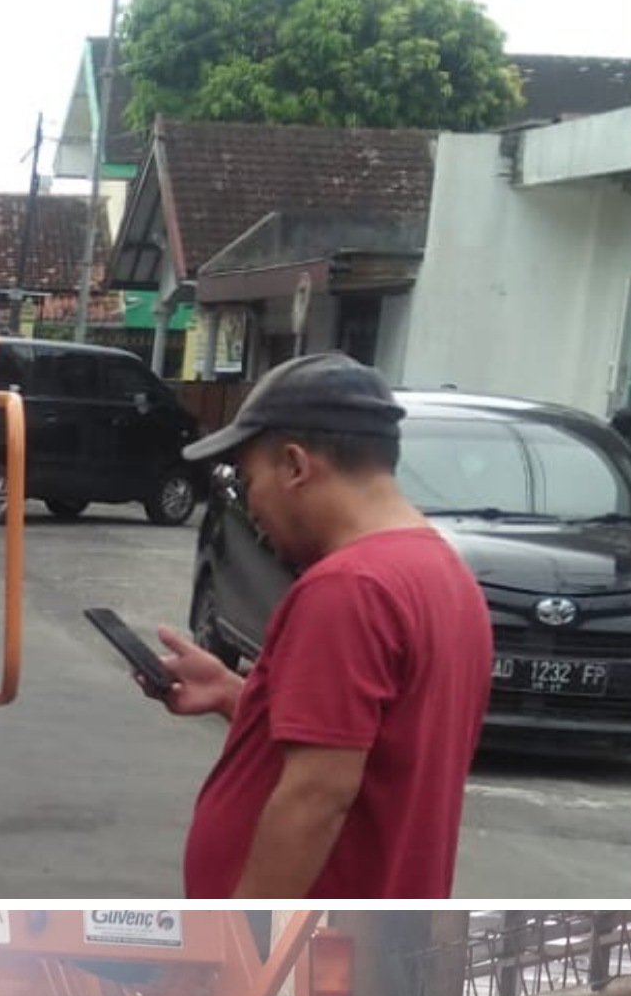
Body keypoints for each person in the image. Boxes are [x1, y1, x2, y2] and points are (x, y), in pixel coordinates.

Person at [145, 353, 492, 898]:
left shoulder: (349, 588)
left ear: (295, 466)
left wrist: (240, 943)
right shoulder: (444, 576)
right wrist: (237, 696)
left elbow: (317, 794)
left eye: (249, 479)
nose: (249, 505)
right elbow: (371, 748)